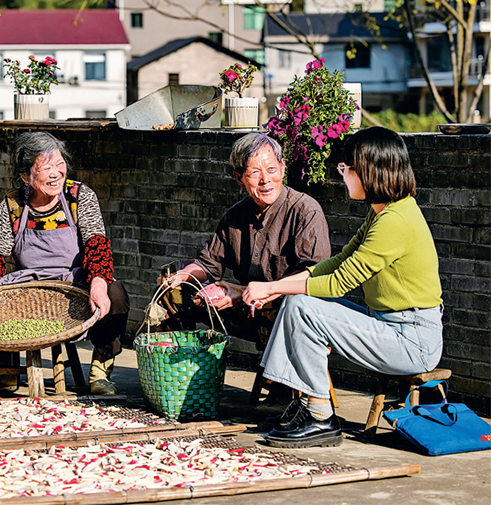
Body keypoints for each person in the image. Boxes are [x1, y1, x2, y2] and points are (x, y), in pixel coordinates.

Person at [243, 126, 443, 448]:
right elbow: (333, 264)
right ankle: (309, 404)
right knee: (295, 302)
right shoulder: (382, 213)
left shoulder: (395, 221)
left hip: (413, 341)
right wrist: (276, 287)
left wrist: (275, 289)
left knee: (303, 306)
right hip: (389, 324)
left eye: (346, 168)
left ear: (368, 172)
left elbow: (338, 283)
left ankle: (320, 415)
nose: (343, 175)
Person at [0, 132, 129, 395]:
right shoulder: (13, 205)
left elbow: (96, 244)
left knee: (115, 293)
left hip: (73, 284)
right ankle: (0, 372)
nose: (56, 173)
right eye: (46, 167)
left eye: (59, 163)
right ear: (25, 176)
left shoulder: (79, 196)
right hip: (28, 289)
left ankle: (101, 370)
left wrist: (98, 282)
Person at [159, 132, 330, 354]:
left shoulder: (305, 211)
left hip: (283, 308)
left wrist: (243, 292)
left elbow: (313, 276)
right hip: (245, 306)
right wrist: (182, 275)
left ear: (283, 167)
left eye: (271, 169)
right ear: (239, 178)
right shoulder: (235, 216)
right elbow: (209, 264)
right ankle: (176, 372)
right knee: (175, 291)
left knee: (285, 307)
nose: (265, 180)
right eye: (254, 173)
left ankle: (279, 382)